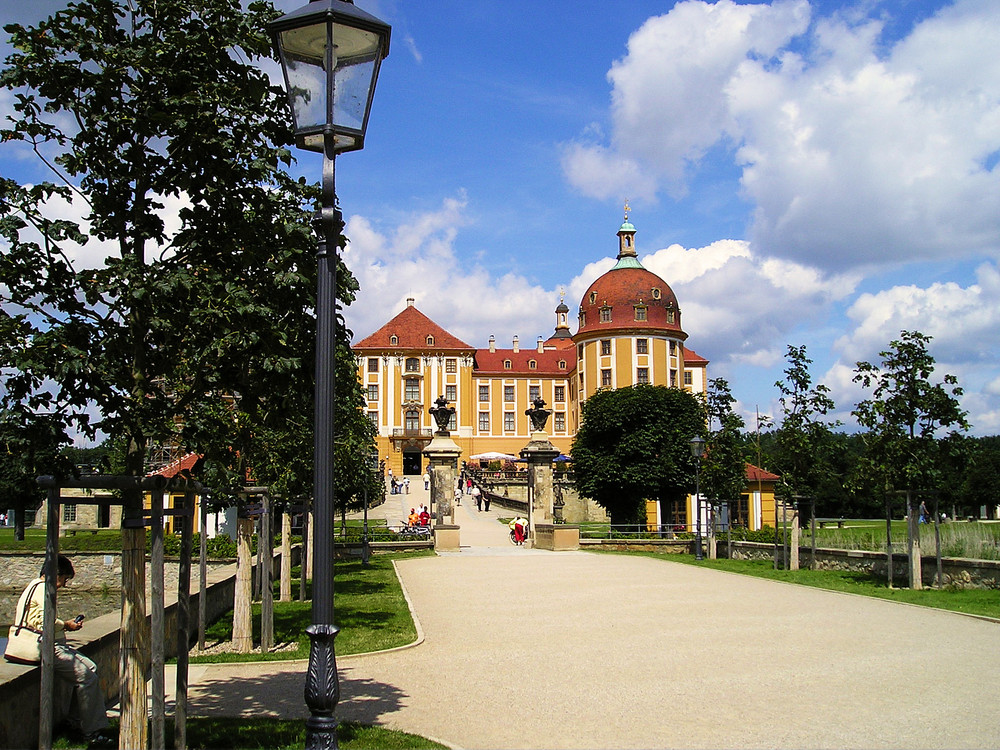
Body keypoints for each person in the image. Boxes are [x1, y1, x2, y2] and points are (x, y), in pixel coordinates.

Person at [14, 555, 113, 747]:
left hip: (49, 644)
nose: (64, 584)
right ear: (56, 574)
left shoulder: (33, 586)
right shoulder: (43, 589)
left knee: (90, 668)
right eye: (65, 579)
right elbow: (44, 622)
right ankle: (91, 732)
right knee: (86, 676)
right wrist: (66, 625)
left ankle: (75, 722)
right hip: (45, 646)